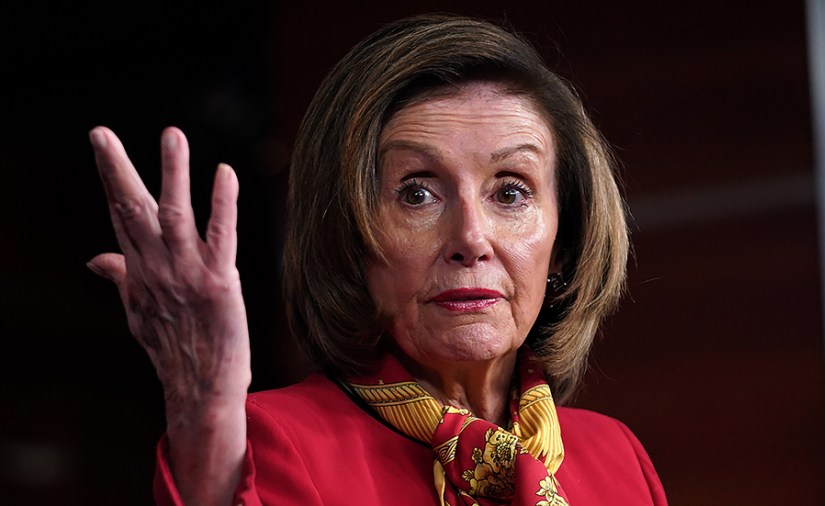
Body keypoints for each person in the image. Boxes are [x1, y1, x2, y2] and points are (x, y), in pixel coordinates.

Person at [87, 13, 667, 506]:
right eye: (417, 192)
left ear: (564, 243)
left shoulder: (616, 457)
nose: (471, 236)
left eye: (510, 191)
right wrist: (207, 424)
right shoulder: (268, 440)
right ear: (349, 237)